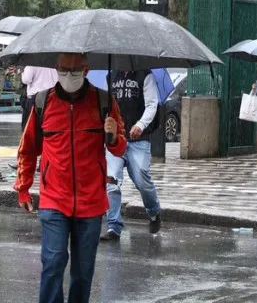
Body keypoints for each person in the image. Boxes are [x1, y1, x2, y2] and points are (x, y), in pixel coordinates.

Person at [15, 53, 127, 303]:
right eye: (64, 69)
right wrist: (23, 188)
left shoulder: (104, 101)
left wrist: (113, 135)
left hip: (91, 201)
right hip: (54, 198)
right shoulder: (43, 102)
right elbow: (27, 148)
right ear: (56, 68)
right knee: (53, 262)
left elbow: (119, 149)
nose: (69, 75)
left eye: (75, 70)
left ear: (86, 70)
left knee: (83, 272)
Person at [101, 70, 163, 241]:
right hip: (116, 139)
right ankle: (113, 225)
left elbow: (152, 104)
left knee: (142, 180)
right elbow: (107, 107)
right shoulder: (111, 76)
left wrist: (141, 125)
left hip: (139, 139)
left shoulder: (145, 76)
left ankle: (153, 211)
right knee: (111, 180)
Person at [20, 66, 59, 131]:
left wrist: (22, 73)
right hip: (51, 95)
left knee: (31, 125)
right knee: (49, 123)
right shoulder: (55, 62)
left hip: (35, 97)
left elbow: (26, 79)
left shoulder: (32, 63)